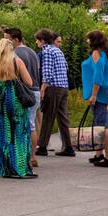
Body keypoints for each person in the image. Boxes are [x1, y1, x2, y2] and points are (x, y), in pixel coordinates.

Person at [0, 37, 36, 178]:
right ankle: (19, 166)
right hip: (15, 99)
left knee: (3, 133)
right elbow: (29, 82)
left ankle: (4, 168)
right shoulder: (17, 62)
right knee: (19, 133)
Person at [35, 28, 76, 157]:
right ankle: (68, 146)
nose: (36, 43)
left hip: (52, 88)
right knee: (63, 118)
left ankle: (42, 146)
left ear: (42, 40)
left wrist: (43, 88)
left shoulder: (47, 51)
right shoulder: (58, 50)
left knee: (48, 116)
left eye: (37, 40)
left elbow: (47, 72)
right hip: (63, 87)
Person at [6, 27, 42, 167]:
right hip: (35, 91)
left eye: (8, 39)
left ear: (15, 39)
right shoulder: (33, 52)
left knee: (20, 125)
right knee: (31, 124)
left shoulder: (15, 54)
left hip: (22, 93)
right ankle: (32, 156)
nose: (6, 42)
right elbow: (37, 71)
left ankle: (21, 156)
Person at [81, 30, 108, 168]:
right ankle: (98, 154)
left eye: (88, 39)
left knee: (103, 126)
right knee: (99, 124)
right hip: (106, 92)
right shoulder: (107, 54)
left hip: (100, 94)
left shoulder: (97, 53)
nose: (87, 41)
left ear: (93, 40)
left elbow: (97, 76)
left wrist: (94, 94)